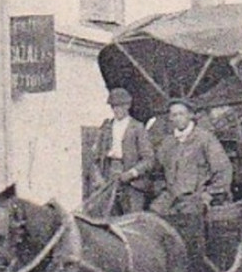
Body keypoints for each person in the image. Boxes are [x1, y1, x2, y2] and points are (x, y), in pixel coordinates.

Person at [124, 98, 233, 216]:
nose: (178, 118)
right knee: (151, 220)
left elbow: (223, 170)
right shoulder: (168, 143)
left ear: (190, 115)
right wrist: (137, 174)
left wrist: (209, 194)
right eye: (174, 115)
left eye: (181, 114)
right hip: (170, 198)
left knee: (187, 221)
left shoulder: (205, 139)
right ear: (170, 118)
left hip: (196, 197)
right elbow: (155, 168)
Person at [91, 87, 153, 216]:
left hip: (132, 183)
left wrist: (131, 173)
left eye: (120, 106)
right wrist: (99, 178)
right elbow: (95, 157)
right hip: (109, 179)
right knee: (108, 219)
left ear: (128, 106)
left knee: (132, 220)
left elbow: (148, 159)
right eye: (113, 106)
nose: (116, 110)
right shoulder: (106, 128)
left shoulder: (137, 128)